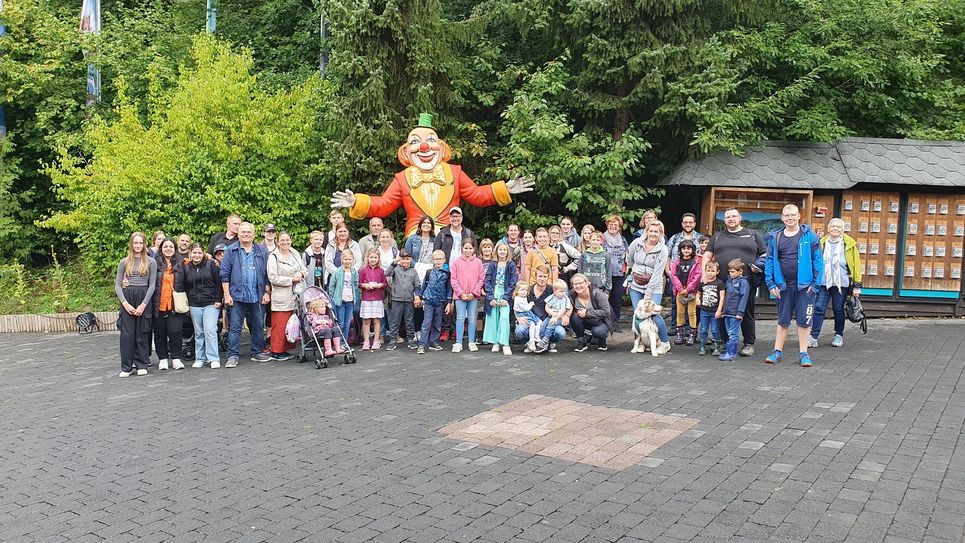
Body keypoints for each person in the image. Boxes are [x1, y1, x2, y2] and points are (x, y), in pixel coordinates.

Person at [763, 204, 824, 367]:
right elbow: (769, 260)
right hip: (783, 286)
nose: (790, 218)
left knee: (804, 321)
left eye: (793, 215)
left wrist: (816, 284)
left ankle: (804, 353)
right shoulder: (775, 237)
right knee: (783, 320)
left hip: (805, 287)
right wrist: (770, 283)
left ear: (799, 216)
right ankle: (777, 351)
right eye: (786, 215)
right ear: (782, 218)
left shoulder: (810, 236)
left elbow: (818, 260)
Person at [703, 207, 766, 356]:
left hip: (746, 282)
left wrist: (759, 266)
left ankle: (749, 343)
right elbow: (706, 256)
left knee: (746, 311)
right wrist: (704, 275)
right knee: (724, 311)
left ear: (740, 218)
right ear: (724, 220)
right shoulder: (717, 236)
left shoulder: (753, 234)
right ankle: (725, 341)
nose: (731, 219)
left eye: (733, 216)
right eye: (727, 217)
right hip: (722, 283)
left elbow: (765, 254)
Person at [220, 222, 272, 368]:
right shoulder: (231, 250)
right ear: (238, 234)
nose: (246, 234)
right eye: (243, 232)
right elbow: (224, 275)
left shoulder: (262, 251)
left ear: (254, 234)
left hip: (257, 294)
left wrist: (267, 292)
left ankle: (257, 352)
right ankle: (233, 355)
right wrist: (227, 295)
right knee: (235, 327)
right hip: (236, 296)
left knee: (257, 325)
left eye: (249, 232)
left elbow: (267, 274)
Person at [810, 218, 862, 348]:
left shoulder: (849, 244)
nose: (835, 228)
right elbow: (815, 262)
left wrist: (857, 285)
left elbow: (857, 265)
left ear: (843, 229)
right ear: (828, 228)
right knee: (819, 308)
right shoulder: (821, 243)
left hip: (841, 284)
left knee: (838, 310)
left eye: (838, 227)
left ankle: (839, 335)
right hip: (823, 283)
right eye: (833, 226)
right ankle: (813, 336)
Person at [626, 221, 672, 354]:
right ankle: (640, 343)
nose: (653, 234)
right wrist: (632, 274)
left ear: (661, 233)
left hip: (654, 285)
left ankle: (664, 342)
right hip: (636, 284)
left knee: (654, 313)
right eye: (651, 231)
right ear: (646, 231)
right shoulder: (636, 243)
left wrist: (649, 292)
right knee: (638, 315)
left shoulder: (663, 249)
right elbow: (629, 259)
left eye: (656, 231)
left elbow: (658, 273)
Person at [116, 232, 158, 377]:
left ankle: (142, 364)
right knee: (127, 335)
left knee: (142, 333)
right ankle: (126, 367)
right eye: (135, 243)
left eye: (141, 243)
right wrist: (125, 303)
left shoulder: (151, 262)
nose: (138, 246)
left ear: (145, 244)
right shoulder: (124, 262)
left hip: (143, 298)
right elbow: (117, 285)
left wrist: (143, 305)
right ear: (131, 244)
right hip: (128, 298)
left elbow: (152, 285)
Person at [434, 206, 475, 340]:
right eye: (453, 216)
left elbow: (475, 252)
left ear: (462, 218)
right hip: (446, 270)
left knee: (459, 299)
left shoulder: (468, 233)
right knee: (446, 299)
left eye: (458, 216)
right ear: (449, 218)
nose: (455, 219)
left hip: (463, 271)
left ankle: (457, 328)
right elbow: (436, 252)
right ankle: (445, 329)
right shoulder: (442, 233)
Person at [267, 231, 307, 361]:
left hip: (296, 295)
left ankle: (287, 348)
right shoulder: (273, 256)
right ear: (278, 242)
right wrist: (291, 279)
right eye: (282, 240)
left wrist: (300, 274)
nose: (285, 242)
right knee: (280, 324)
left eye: (287, 240)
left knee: (293, 323)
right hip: (281, 295)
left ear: (291, 240)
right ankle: (277, 351)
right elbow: (273, 278)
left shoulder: (295, 253)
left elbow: (304, 269)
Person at [184, 243, 222, 368]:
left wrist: (218, 299)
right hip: (194, 303)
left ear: (203, 253)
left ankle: (213, 358)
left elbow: (218, 282)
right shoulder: (186, 267)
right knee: (199, 332)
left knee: (210, 330)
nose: (197, 255)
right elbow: (185, 286)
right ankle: (200, 358)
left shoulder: (211, 264)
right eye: (194, 253)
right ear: (190, 253)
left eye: (199, 253)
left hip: (211, 302)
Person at [666, 213, 704, 334]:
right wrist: (668, 272)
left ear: (694, 223)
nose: (688, 224)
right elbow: (667, 255)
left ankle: (690, 328)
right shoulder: (675, 238)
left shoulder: (700, 238)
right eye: (685, 222)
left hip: (693, 278)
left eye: (690, 222)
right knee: (675, 303)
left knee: (692, 305)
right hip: (676, 277)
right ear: (682, 224)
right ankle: (675, 326)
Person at [514, 265, 566, 353]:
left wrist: (566, 316)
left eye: (545, 276)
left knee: (560, 332)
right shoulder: (528, 291)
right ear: (535, 276)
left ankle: (549, 342)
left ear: (548, 277)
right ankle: (530, 342)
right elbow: (516, 305)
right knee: (520, 330)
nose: (542, 279)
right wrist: (518, 317)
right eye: (540, 276)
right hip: (532, 322)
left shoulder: (552, 290)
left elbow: (566, 302)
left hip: (547, 322)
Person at [152, 238, 186, 371]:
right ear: (161, 248)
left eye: (171, 246)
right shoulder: (154, 264)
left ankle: (176, 358)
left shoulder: (181, 263)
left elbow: (197, 262)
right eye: (165, 246)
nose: (168, 249)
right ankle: (163, 359)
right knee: (159, 333)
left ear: (175, 249)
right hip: (158, 303)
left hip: (174, 304)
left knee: (175, 331)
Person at [450, 239, 485, 353]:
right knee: (460, 318)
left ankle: (471, 341)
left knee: (472, 318)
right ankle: (458, 342)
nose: (468, 250)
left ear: (474, 249)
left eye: (470, 248)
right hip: (460, 296)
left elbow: (481, 279)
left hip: (473, 296)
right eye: (466, 248)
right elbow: (453, 280)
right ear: (462, 248)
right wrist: (461, 293)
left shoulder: (478, 262)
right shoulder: (456, 262)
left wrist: (474, 292)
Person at [483, 242, 518, 355]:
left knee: (504, 318)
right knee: (493, 318)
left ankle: (505, 344)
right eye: (500, 250)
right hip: (494, 293)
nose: (502, 252)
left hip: (505, 294)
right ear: (496, 251)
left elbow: (513, 282)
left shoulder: (511, 264)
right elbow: (487, 281)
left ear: (507, 252)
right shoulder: (492, 264)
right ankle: (495, 343)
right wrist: (490, 297)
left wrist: (506, 297)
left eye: (504, 250)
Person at [416, 250, 453, 354]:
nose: (438, 261)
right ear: (433, 260)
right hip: (429, 300)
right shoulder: (429, 272)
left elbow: (449, 289)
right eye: (436, 259)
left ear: (444, 260)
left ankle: (434, 341)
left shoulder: (447, 274)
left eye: (440, 259)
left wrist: (449, 302)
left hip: (440, 301)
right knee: (426, 323)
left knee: (437, 323)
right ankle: (422, 344)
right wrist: (419, 296)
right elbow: (423, 285)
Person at [385, 250, 421, 351]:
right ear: (399, 259)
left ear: (411, 259)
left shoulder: (413, 271)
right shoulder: (396, 269)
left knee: (409, 321)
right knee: (394, 321)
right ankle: (392, 340)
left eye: (407, 259)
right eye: (403, 259)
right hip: (397, 299)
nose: (405, 261)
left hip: (409, 300)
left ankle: (410, 339)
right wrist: (394, 263)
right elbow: (386, 273)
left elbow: (417, 285)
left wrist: (417, 296)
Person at [569, 273, 613, 351]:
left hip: (600, 321)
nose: (578, 286)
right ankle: (581, 342)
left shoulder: (598, 293)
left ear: (587, 283)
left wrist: (587, 313)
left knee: (599, 332)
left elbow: (606, 312)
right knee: (574, 316)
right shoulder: (572, 294)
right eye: (575, 284)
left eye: (580, 283)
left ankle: (602, 340)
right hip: (583, 320)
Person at [669, 239, 701, 346]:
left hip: (691, 292)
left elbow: (697, 276)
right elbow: (673, 275)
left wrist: (688, 289)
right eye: (684, 248)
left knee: (692, 313)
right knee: (680, 312)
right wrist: (680, 289)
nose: (686, 250)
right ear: (680, 250)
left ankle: (691, 335)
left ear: (692, 250)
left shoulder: (696, 262)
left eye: (688, 248)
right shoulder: (676, 262)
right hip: (680, 291)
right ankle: (680, 335)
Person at [720, 259, 750, 361]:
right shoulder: (729, 281)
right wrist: (723, 311)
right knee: (729, 333)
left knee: (733, 333)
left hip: (736, 313)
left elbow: (744, 298)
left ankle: (731, 353)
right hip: (727, 312)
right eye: (729, 271)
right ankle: (729, 351)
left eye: (733, 272)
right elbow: (726, 297)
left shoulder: (743, 283)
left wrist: (740, 312)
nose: (730, 274)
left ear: (740, 271)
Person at [602, 215, 629, 330]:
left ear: (619, 227)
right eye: (610, 224)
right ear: (607, 225)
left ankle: (615, 323)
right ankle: (604, 322)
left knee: (617, 299)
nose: (613, 226)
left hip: (619, 273)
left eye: (615, 225)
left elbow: (627, 254)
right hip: (604, 274)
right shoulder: (601, 238)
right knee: (604, 299)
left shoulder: (623, 240)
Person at [358, 248, 388, 351]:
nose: (373, 259)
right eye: (371, 257)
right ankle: (366, 341)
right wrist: (364, 285)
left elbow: (385, 283)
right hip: (366, 298)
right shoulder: (363, 270)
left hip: (377, 298)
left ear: (378, 258)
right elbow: (358, 283)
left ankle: (376, 340)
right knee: (366, 320)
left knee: (376, 320)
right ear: (367, 258)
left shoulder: (381, 270)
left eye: (375, 257)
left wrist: (380, 285)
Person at [326, 249, 359, 337]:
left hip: (350, 301)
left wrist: (354, 296)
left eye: (349, 259)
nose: (348, 261)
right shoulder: (337, 271)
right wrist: (333, 297)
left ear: (353, 260)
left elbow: (355, 284)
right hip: (340, 301)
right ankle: (339, 343)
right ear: (342, 260)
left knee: (347, 323)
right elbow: (331, 286)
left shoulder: (354, 272)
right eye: (346, 259)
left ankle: (345, 343)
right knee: (341, 323)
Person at [695, 260, 725, 356]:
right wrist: (697, 299)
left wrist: (719, 310)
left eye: (712, 271)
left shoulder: (720, 283)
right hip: (704, 310)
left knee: (715, 329)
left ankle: (717, 346)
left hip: (714, 311)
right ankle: (702, 346)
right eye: (708, 270)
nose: (710, 273)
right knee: (703, 329)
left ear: (717, 272)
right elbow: (698, 293)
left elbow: (722, 297)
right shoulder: (703, 283)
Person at [538, 279, 572, 352]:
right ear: (555, 291)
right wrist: (552, 313)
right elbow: (547, 307)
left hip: (559, 317)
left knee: (551, 324)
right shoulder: (552, 297)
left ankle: (546, 339)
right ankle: (542, 342)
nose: (563, 293)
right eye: (561, 291)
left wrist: (556, 317)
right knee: (543, 326)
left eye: (564, 291)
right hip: (550, 316)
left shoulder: (565, 299)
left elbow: (563, 309)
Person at [324, 223, 362, 287]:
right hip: (335, 277)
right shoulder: (331, 245)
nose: (342, 233)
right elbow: (328, 262)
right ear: (336, 232)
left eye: (345, 231)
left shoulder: (354, 244)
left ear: (348, 232)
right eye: (340, 231)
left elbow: (359, 261)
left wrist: (350, 273)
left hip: (351, 278)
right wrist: (339, 273)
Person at [405, 215, 437, 283]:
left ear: (432, 226)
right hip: (414, 270)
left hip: (430, 271)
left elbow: (438, 256)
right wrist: (417, 266)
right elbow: (406, 256)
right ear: (420, 225)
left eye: (428, 223)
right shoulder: (412, 239)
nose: (426, 224)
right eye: (424, 222)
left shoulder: (436, 240)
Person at [513, 283, 541, 352]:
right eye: (522, 290)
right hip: (523, 314)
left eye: (526, 290)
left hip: (529, 313)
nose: (524, 291)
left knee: (539, 322)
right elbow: (526, 308)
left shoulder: (523, 297)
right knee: (532, 325)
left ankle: (536, 336)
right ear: (517, 291)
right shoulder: (518, 299)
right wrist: (531, 304)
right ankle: (531, 341)